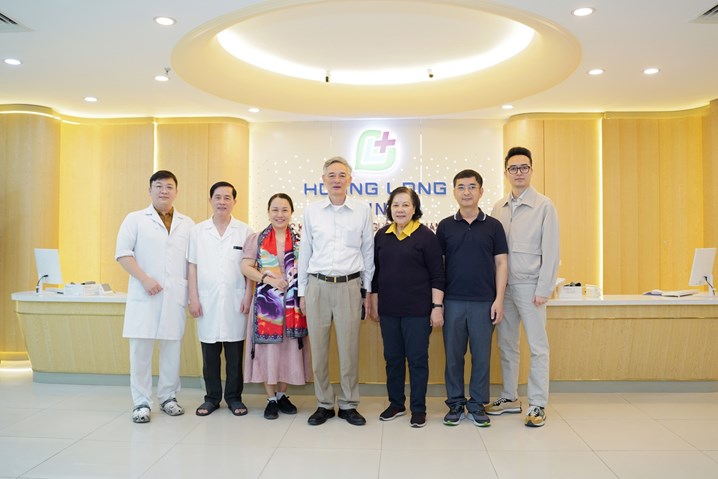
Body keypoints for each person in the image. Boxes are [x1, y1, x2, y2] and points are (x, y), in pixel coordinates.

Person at [298, 156, 374, 426]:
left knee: (349, 350)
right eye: (331, 175)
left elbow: (368, 252)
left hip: (349, 286)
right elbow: (305, 251)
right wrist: (302, 293)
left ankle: (349, 404)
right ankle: (324, 404)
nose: (337, 180)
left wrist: (367, 291)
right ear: (323, 180)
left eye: (342, 175)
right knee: (318, 351)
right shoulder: (312, 211)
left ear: (350, 179)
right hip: (317, 286)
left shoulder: (362, 211)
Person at [487, 146, 560, 427]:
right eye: (513, 168)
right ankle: (509, 397)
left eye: (524, 167)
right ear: (506, 173)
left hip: (531, 288)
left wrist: (544, 288)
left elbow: (551, 250)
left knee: (538, 347)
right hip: (503, 289)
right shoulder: (498, 207)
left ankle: (538, 403)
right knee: (506, 344)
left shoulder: (544, 206)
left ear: (531, 170)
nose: (519, 173)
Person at [115, 170, 195, 424]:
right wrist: (144, 279)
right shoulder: (135, 219)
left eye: (169, 186)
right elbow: (123, 254)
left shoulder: (187, 224)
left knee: (172, 350)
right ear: (149, 190)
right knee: (141, 352)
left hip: (174, 296)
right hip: (145, 295)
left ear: (176, 192)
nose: (164, 191)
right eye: (158, 186)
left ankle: (168, 397)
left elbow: (192, 262)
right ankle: (141, 402)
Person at [436, 169, 508, 427]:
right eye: (461, 187)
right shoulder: (445, 226)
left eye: (471, 187)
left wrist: (499, 299)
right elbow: (438, 267)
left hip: (484, 302)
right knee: (453, 357)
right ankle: (455, 404)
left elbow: (501, 264)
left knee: (481, 357)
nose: (466, 192)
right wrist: (438, 304)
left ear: (481, 191)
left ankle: (477, 404)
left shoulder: (493, 226)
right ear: (454, 192)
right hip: (452, 302)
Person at [368, 186, 444, 428]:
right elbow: (376, 273)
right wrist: (374, 302)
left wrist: (437, 306)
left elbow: (438, 275)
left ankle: (418, 408)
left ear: (414, 208)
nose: (400, 209)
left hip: (418, 311)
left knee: (417, 360)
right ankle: (396, 403)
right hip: (389, 310)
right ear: (389, 208)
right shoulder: (382, 235)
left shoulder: (426, 237)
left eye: (405, 205)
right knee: (393, 359)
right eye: (395, 205)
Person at [240, 193, 310, 420]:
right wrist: (267, 279)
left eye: (284, 210)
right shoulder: (257, 239)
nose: (280, 215)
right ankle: (270, 398)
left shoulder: (301, 240)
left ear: (291, 213)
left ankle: (282, 395)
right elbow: (245, 267)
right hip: (266, 307)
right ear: (268, 212)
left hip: (293, 306)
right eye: (275, 210)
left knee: (289, 351)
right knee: (268, 351)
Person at [187, 181, 253, 417]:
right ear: (210, 200)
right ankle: (212, 398)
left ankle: (234, 398)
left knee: (235, 355)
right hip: (207, 301)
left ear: (234, 201)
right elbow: (192, 267)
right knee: (210, 355)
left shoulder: (245, 231)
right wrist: (193, 298)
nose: (222, 202)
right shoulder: (197, 231)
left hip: (236, 300)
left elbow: (251, 267)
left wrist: (248, 294)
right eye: (218, 197)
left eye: (227, 198)